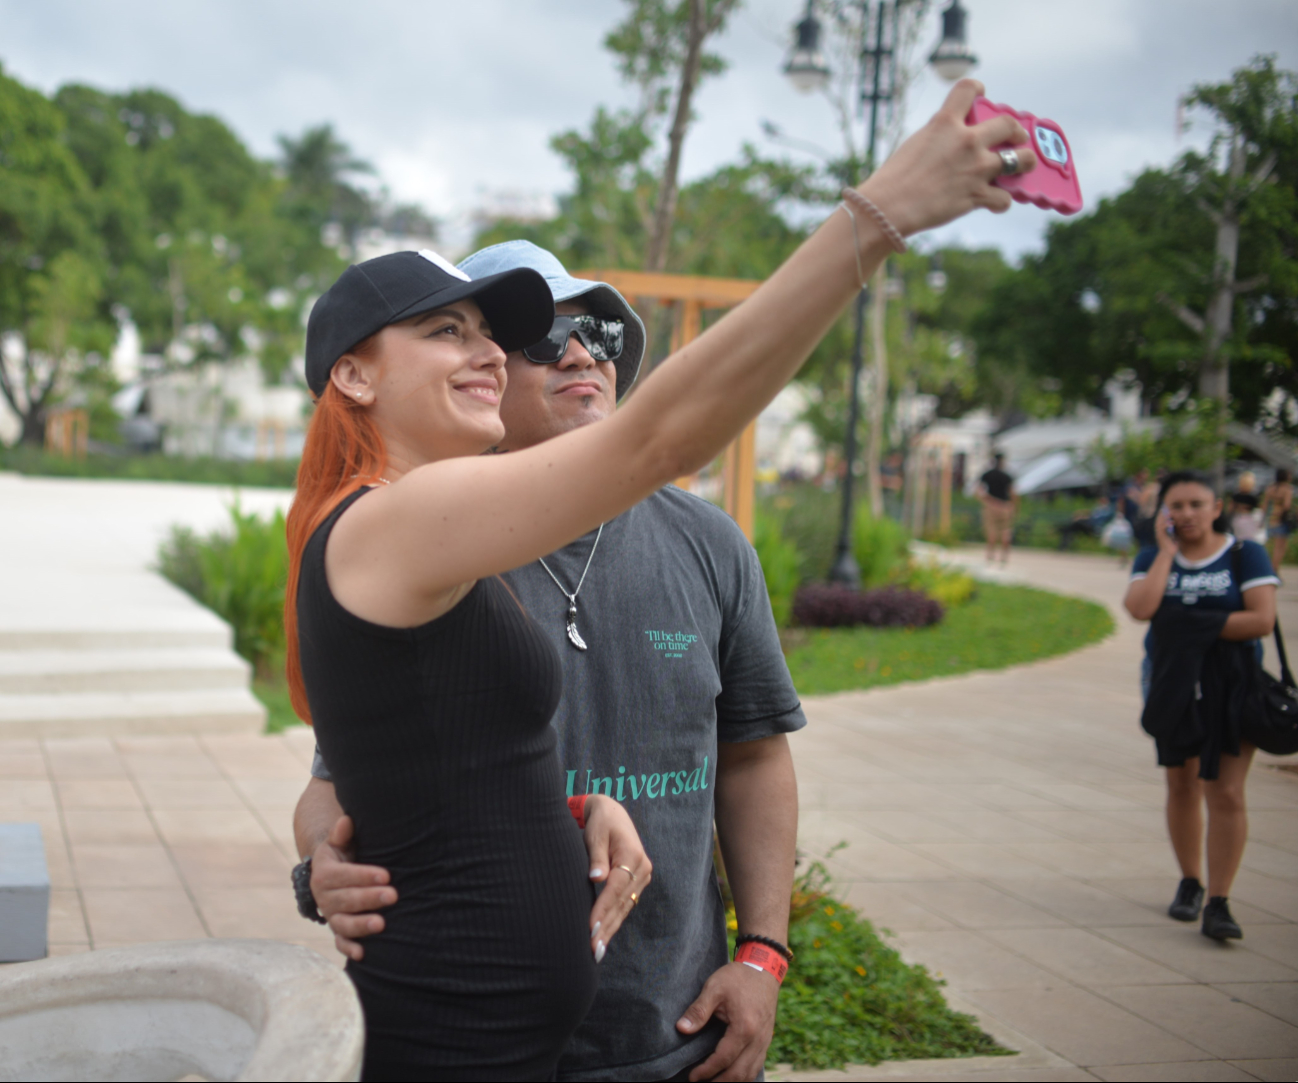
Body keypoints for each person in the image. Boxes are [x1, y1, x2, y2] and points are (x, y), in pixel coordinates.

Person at [287, 78, 1035, 1080]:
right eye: (454, 332)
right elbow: (661, 434)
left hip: (642, 1032)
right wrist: (876, 214)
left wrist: (560, 816)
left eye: (486, 332)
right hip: (470, 1042)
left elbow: (434, 763)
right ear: (355, 375)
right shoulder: (399, 522)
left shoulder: (459, 538)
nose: (557, 353)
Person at [296, 241, 805, 1083]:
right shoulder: (426, 537)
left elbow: (754, 755)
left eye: (599, 332)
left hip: (676, 1030)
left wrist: (762, 956)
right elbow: (337, 784)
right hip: (479, 1032)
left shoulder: (708, 544)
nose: (578, 352)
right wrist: (324, 860)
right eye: (542, 337)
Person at [1123, 470, 1278, 942]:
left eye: (1196, 504)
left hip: (1233, 685)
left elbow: (1261, 619)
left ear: (1217, 508)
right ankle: (1190, 882)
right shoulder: (1154, 556)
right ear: (1163, 512)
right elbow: (1140, 608)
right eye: (1176, 505)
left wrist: (1188, 621)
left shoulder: (1244, 554)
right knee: (1182, 782)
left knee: (1226, 791)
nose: (1186, 514)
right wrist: (1168, 555)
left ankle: (1220, 902)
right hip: (1172, 683)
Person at [977, 452, 1017, 564]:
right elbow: (1013, 493)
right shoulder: (1007, 476)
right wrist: (1013, 506)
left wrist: (988, 501)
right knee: (1005, 531)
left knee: (991, 531)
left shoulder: (987, 475)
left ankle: (990, 555)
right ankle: (1004, 557)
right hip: (1005, 506)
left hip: (990, 507)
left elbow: (979, 491)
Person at [1262, 468, 1295, 574]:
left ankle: (1269, 566)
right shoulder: (1287, 489)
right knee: (1280, 547)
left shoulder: (1271, 488)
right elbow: (1287, 505)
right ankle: (1274, 568)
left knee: (1271, 544)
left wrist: (1263, 518)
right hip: (1282, 519)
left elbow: (1265, 505)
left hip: (1272, 518)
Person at [1229, 472, 1261, 542]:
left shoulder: (1236, 496)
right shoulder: (1254, 497)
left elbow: (1230, 509)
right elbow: (1256, 511)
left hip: (1237, 518)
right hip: (1249, 520)